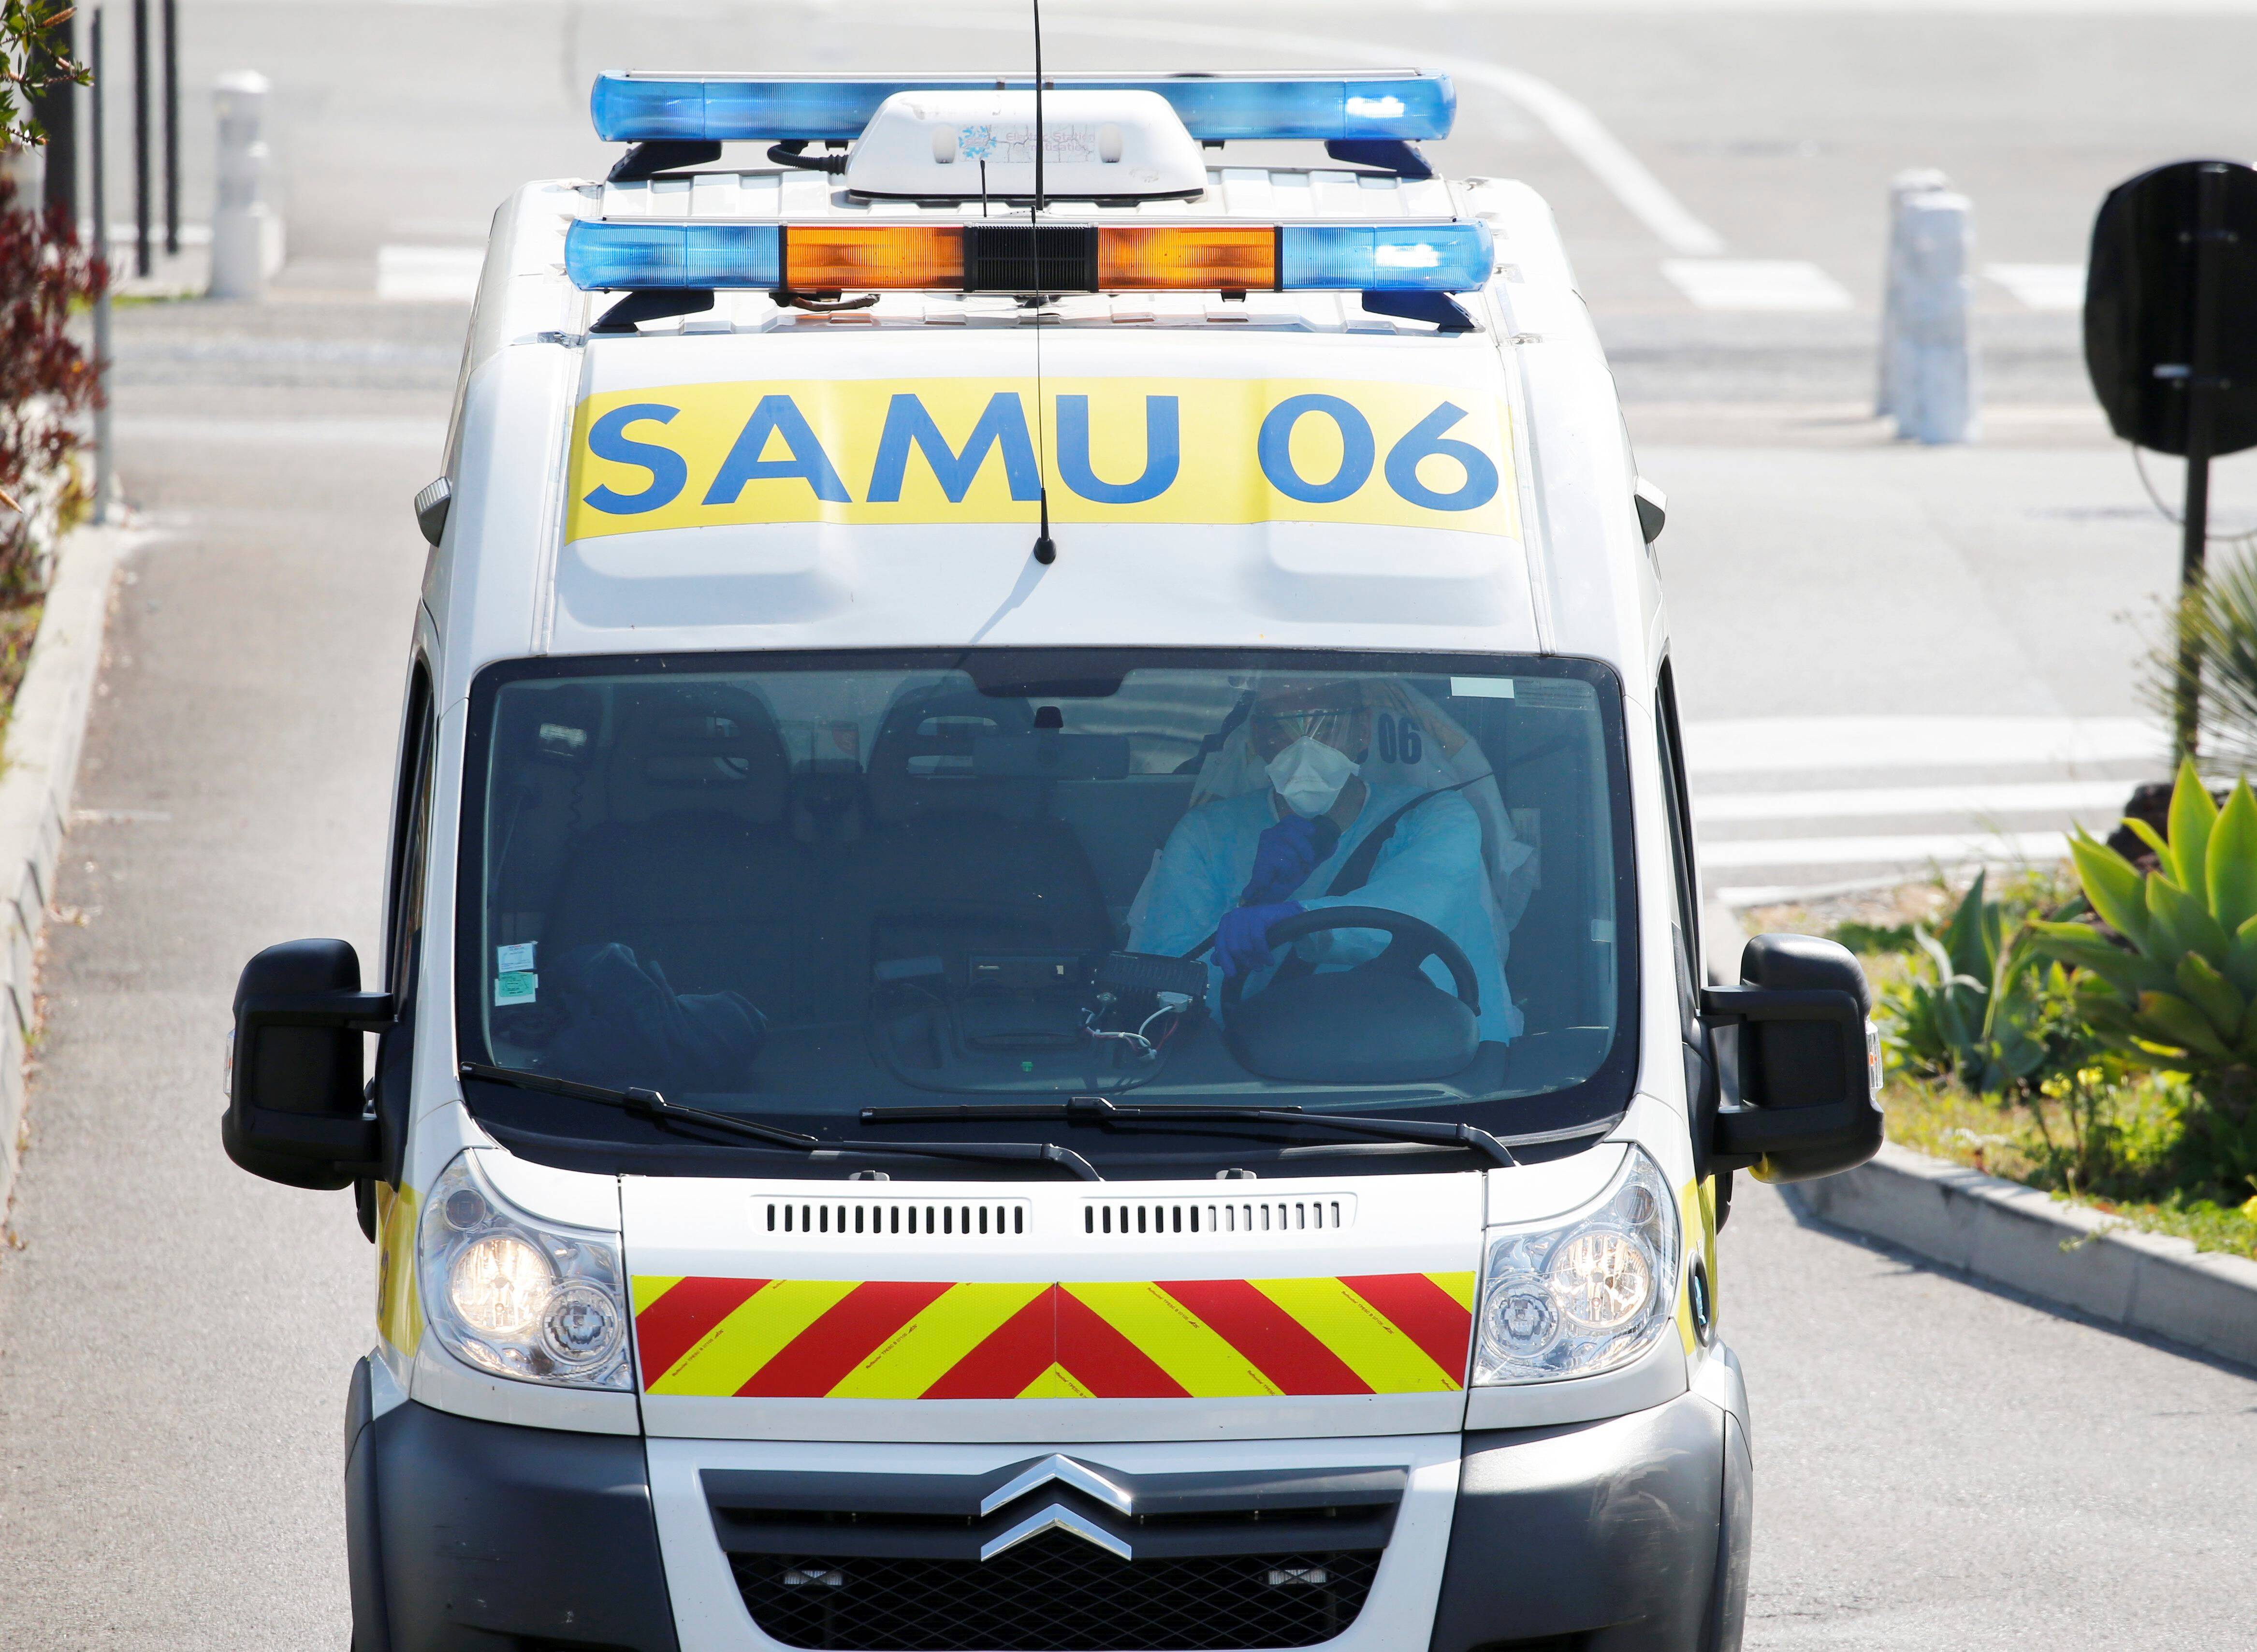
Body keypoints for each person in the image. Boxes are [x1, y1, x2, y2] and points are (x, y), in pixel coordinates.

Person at [1129, 677, 1516, 1043]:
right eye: (1278, 727)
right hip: (1257, 1059)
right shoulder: (1206, 834)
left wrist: (1293, 915)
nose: (1301, 746)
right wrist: (1252, 902)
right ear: (1256, 740)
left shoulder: (1436, 815)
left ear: (1363, 730)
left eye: (1324, 724)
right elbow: (1171, 979)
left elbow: (1419, 904)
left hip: (1431, 1049)